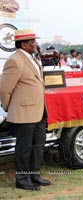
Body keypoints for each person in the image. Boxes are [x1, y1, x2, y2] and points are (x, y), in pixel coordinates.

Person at [0, 29, 51, 190]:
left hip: (39, 112)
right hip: (24, 113)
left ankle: (34, 176)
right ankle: (22, 180)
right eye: (33, 42)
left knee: (38, 146)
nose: (36, 44)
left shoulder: (32, 59)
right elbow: (4, 89)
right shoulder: (15, 60)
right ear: (24, 44)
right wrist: (10, 107)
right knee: (24, 149)